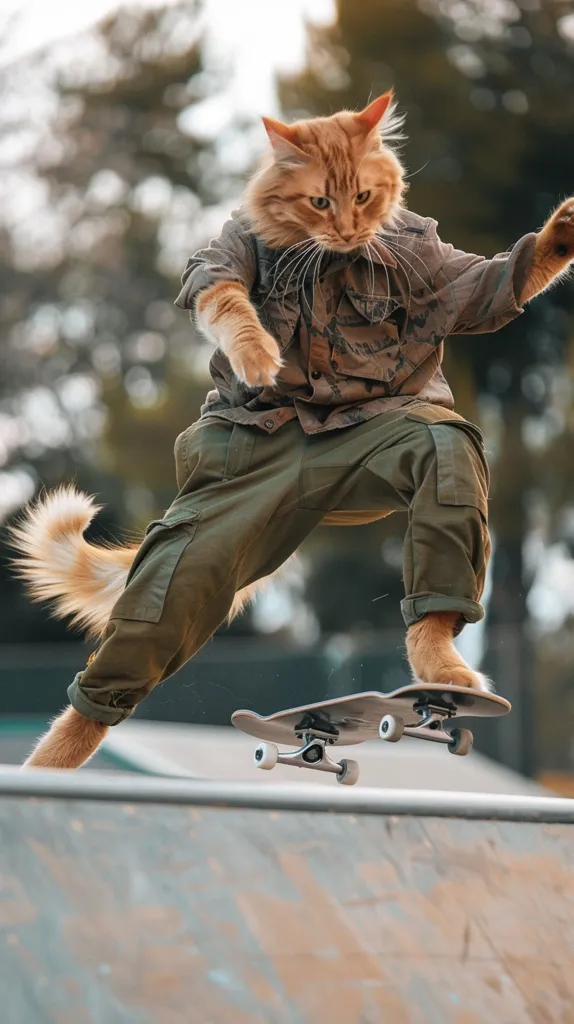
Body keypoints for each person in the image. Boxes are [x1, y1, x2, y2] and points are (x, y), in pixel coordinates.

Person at [12, 91, 574, 769]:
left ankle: (433, 640)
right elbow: (211, 285)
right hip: (255, 449)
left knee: (445, 442)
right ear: (282, 187)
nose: (347, 224)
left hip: (375, 433)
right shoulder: (248, 236)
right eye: (321, 205)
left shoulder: (410, 248)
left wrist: (552, 249)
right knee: (162, 603)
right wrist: (243, 332)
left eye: (364, 200)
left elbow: (486, 292)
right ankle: (45, 777)